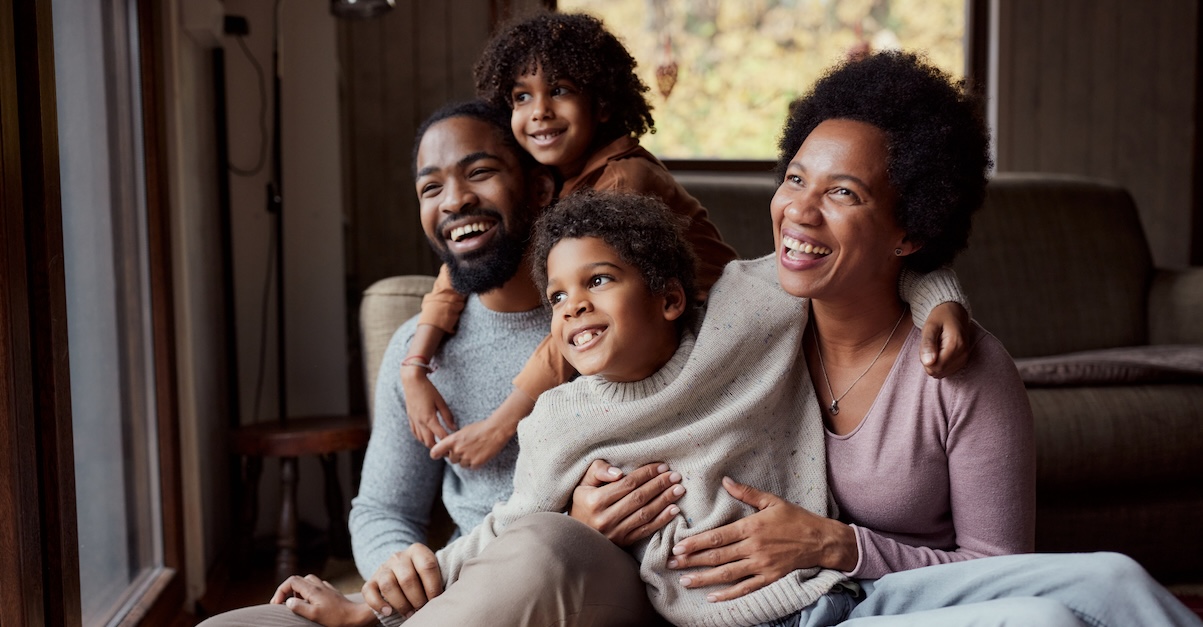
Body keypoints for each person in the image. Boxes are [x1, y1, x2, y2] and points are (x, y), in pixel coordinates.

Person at [388, 52, 1203, 626]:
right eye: (793, 179)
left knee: (1113, 576)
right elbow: (605, 406)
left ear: (910, 226)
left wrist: (836, 542)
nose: (798, 212)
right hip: (801, 612)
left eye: (840, 191)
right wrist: (572, 507)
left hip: (864, 586)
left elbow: (995, 567)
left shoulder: (958, 365)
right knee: (1044, 622)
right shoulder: (748, 309)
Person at [401, 10, 973, 474]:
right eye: (521, 98)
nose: (539, 111)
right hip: (657, 335)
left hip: (717, 328)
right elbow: (463, 253)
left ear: (601, 104)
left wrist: (506, 420)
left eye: (560, 91)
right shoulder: (542, 181)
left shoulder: (623, 181)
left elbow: (580, 319)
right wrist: (415, 363)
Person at [193, 102, 683, 627]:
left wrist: (576, 524)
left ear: (540, 188)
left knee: (544, 545)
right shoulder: (419, 351)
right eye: (431, 188)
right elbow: (383, 508)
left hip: (590, 577)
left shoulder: (613, 319)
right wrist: (398, 575)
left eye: (480, 172)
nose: (455, 200)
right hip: (457, 590)